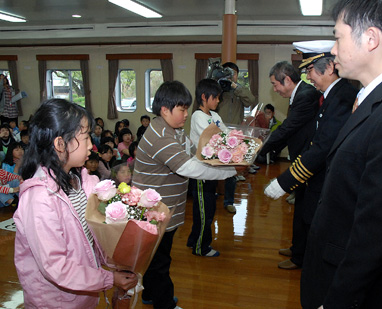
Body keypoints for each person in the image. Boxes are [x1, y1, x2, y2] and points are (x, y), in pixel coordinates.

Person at [299, 1, 382, 308]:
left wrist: (336, 301)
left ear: (370, 39)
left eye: (338, 37)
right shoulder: (374, 96)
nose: (332, 48)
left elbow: (377, 231)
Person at [13, 99, 137, 308]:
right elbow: (56, 267)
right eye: (86, 137)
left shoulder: (81, 181)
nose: (91, 145)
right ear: (60, 144)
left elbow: (90, 239)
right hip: (56, 301)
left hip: (85, 291)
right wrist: (108, 279)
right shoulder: (41, 199)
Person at [132, 81, 236, 309]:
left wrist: (226, 156)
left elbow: (194, 153)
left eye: (187, 109)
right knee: (160, 261)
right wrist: (229, 171)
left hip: (165, 207)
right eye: (182, 109)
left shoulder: (174, 130)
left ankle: (150, 294)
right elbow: (188, 167)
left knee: (156, 257)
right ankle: (164, 303)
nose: (186, 115)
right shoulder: (160, 134)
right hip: (153, 211)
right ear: (165, 110)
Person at [264, 40, 358, 270]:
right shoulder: (331, 95)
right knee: (306, 217)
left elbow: (322, 146)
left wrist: (285, 180)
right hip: (314, 170)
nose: (308, 77)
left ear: (328, 68)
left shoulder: (343, 97)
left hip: (327, 175)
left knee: (317, 228)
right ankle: (302, 253)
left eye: (309, 71)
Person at [186, 78, 228, 257]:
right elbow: (214, 140)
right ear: (204, 97)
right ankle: (201, 247)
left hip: (212, 171)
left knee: (206, 208)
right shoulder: (198, 116)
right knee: (205, 211)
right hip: (201, 171)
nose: (218, 101)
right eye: (216, 98)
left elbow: (225, 134)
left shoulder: (214, 116)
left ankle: (193, 239)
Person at [256, 61, 320, 165]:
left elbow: (287, 128)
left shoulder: (305, 96)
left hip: (307, 156)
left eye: (275, 85)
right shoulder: (299, 94)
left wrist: (259, 148)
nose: (275, 90)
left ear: (287, 80)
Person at [216, 62, 256, 213]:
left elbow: (251, 100)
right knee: (210, 166)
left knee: (231, 171)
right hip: (217, 134)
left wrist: (234, 87)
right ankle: (211, 194)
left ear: (237, 75)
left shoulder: (239, 89)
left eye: (233, 73)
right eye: (227, 73)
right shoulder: (218, 88)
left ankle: (229, 201)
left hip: (233, 136)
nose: (230, 76)